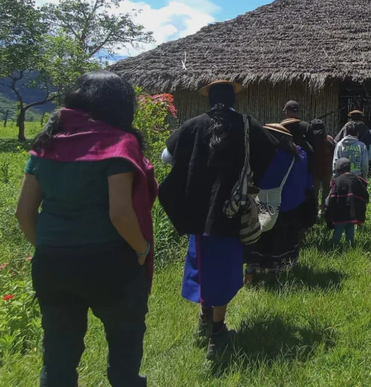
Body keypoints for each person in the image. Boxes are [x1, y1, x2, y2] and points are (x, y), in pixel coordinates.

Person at [16, 70, 157, 387]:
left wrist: (50, 248)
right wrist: (142, 249)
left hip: (52, 264)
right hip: (110, 263)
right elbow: (119, 212)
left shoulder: (47, 142)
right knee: (124, 349)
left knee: (58, 355)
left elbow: (23, 212)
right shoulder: (118, 143)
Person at [159, 80, 277, 360]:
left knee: (202, 265)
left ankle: (204, 320)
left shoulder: (193, 125)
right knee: (223, 269)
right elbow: (270, 154)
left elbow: (166, 157)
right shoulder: (248, 125)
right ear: (233, 100)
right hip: (230, 212)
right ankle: (218, 332)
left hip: (198, 214)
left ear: (209, 101)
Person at [244, 124, 317, 282]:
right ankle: (277, 273)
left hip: (267, 205)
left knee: (259, 239)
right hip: (292, 206)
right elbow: (307, 181)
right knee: (283, 241)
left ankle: (250, 273)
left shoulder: (270, 156)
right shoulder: (300, 154)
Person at [325, 157, 370, 246]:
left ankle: (333, 247)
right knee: (350, 230)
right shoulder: (356, 179)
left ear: (338, 169)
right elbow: (364, 195)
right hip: (352, 213)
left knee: (337, 232)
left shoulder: (336, 181)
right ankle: (350, 246)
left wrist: (328, 209)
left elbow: (329, 199)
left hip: (340, 214)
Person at [309, 119, 335, 216]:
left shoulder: (310, 141)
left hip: (314, 171)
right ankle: (324, 210)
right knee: (326, 192)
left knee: (314, 192)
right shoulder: (329, 140)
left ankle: (314, 211)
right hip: (327, 170)